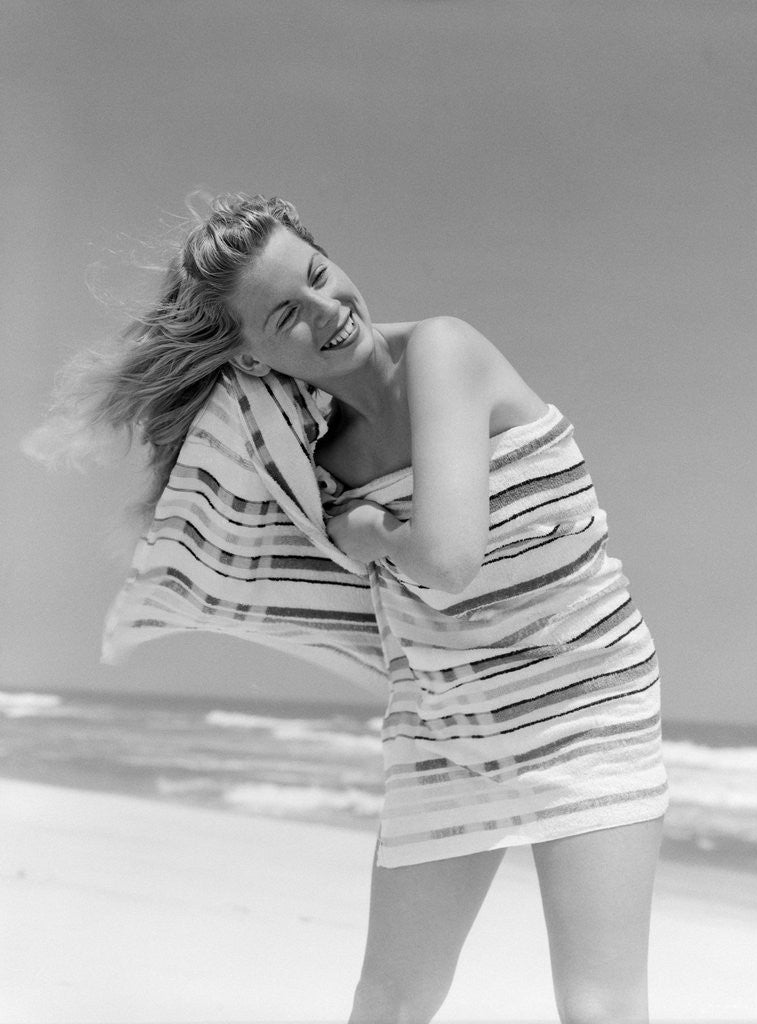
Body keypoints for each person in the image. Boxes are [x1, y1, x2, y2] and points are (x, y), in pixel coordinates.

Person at [32, 194, 669, 1024]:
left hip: (587, 700)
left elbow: (446, 557)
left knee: (596, 1004)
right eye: (286, 315)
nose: (329, 312)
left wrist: (366, 530)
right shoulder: (312, 456)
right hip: (447, 720)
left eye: (320, 276)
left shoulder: (443, 349)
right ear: (253, 359)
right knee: (389, 998)